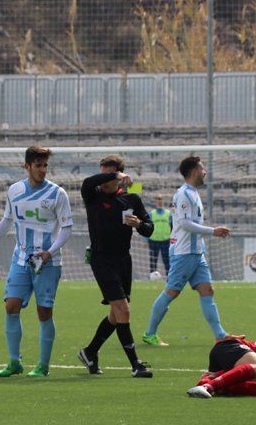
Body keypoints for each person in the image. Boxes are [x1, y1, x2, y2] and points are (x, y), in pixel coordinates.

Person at [0, 146, 73, 378]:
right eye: (38, 165)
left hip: (48, 262)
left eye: (45, 165)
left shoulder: (57, 194)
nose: (43, 170)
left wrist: (50, 251)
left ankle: (43, 365)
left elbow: (66, 229)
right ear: (27, 166)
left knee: (44, 312)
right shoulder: (14, 191)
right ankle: (14, 362)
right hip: (21, 258)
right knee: (11, 305)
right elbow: (6, 221)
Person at [76, 155, 154, 378]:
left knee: (115, 314)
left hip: (123, 260)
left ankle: (89, 352)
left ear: (120, 179)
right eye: (103, 174)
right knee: (123, 310)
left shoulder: (131, 199)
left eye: (109, 176)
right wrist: (113, 175)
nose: (104, 181)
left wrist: (139, 224)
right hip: (101, 259)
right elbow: (88, 182)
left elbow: (150, 229)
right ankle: (136, 364)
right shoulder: (92, 195)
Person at [143, 156, 231, 346]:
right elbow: (184, 223)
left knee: (207, 290)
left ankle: (220, 335)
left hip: (196, 252)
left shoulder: (193, 193)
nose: (205, 171)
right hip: (184, 252)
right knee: (171, 292)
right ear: (193, 172)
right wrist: (212, 231)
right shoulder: (184, 194)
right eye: (202, 168)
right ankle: (150, 333)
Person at [147, 194, 172, 276]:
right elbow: (148, 226)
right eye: (158, 199)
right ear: (155, 202)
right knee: (153, 260)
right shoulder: (151, 214)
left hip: (166, 240)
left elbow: (172, 227)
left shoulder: (169, 214)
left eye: (161, 199)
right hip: (153, 240)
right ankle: (152, 277)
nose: (160, 201)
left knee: (167, 260)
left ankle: (169, 277)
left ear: (163, 201)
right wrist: (145, 238)